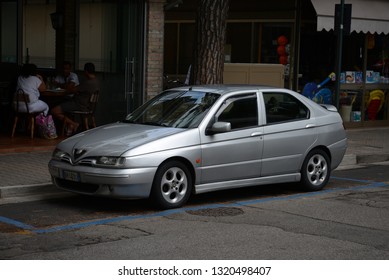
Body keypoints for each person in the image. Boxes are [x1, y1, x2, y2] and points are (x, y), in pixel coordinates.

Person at [51, 62, 99, 135]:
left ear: (86, 71)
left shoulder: (88, 83)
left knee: (54, 111)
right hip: (87, 105)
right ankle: (70, 126)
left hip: (80, 104)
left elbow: (71, 90)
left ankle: (73, 124)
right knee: (65, 103)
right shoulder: (96, 81)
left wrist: (72, 88)